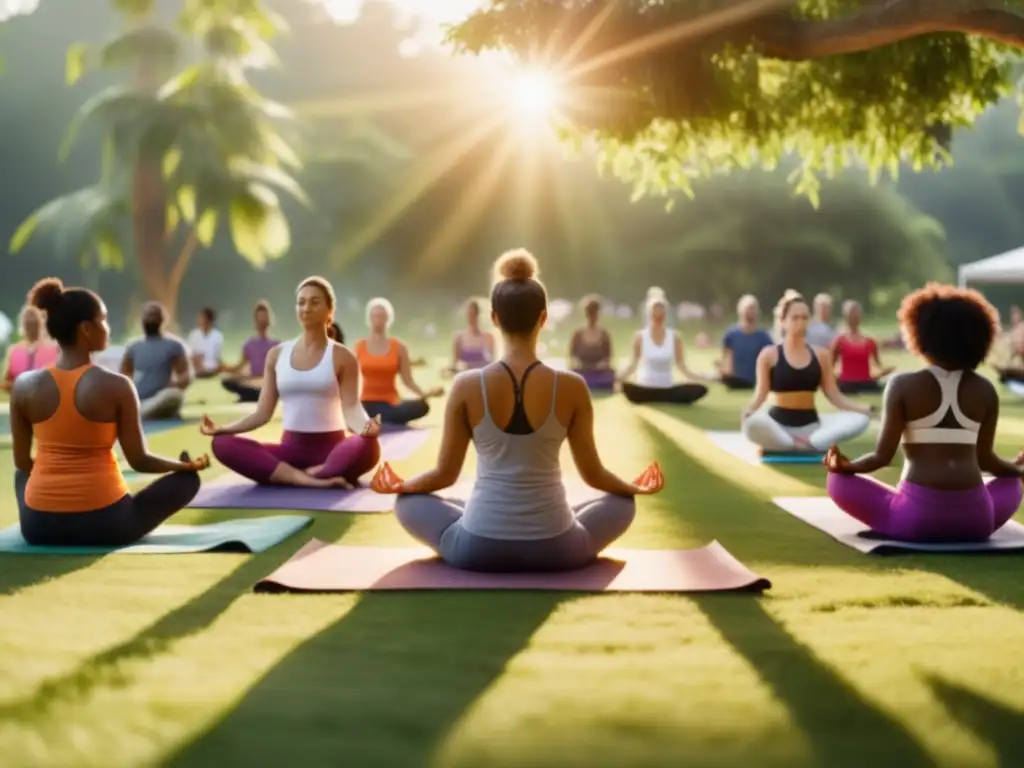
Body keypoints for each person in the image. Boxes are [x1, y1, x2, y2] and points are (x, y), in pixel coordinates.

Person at [369, 249, 663, 572]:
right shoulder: (572, 386)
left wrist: (403, 485)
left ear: (494, 318)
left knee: (409, 501)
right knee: (622, 501)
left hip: (476, 548)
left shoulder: (466, 385)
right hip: (559, 549)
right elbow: (593, 475)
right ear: (544, 318)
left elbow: (444, 475)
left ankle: (479, 514)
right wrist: (633, 487)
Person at [11, 278, 207, 547]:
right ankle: (186, 473)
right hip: (105, 524)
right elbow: (139, 460)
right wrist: (184, 466)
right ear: (86, 330)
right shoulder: (117, 386)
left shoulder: (23, 386)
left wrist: (55, 492)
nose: (107, 327)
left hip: (39, 527)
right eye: (103, 319)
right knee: (188, 482)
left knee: (21, 476)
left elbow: (23, 463)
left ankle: (48, 508)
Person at [825, 284, 1023, 542]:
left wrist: (847, 467)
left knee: (837, 481)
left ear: (922, 334)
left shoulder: (903, 385)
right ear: (978, 337)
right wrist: (1016, 469)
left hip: (917, 519)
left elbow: (882, 457)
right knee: (1011, 484)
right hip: (976, 519)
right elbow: (986, 461)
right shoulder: (984, 390)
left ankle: (899, 516)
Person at [203, 276, 381, 488]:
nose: (306, 308)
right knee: (222, 443)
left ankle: (309, 472)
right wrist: (223, 429)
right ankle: (309, 478)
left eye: (315, 302)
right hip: (289, 451)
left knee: (369, 446)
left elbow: (351, 406)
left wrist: (365, 427)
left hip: (333, 450)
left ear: (329, 310)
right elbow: (262, 414)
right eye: (301, 302)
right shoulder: (277, 355)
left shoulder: (343, 356)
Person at [741, 290, 871, 453]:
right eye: (795, 318)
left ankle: (802, 443)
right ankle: (794, 443)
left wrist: (863, 409)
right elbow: (760, 394)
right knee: (753, 424)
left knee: (861, 420)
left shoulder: (821, 355)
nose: (801, 322)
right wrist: (748, 411)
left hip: (812, 427)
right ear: (783, 321)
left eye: (804, 317)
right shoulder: (768, 355)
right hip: (779, 427)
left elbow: (835, 396)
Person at [355, 297, 443, 426]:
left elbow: (408, 381)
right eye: (375, 316)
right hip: (366, 403)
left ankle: (381, 419)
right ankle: (379, 418)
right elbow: (349, 379)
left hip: (390, 403)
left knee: (422, 406)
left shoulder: (399, 348)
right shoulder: (359, 346)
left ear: (388, 319)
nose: (378, 320)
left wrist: (425, 394)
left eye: (382, 316)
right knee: (359, 411)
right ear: (369, 319)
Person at [618, 288, 709, 405]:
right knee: (630, 389)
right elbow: (633, 364)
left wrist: (699, 378)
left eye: (660, 316)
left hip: (667, 386)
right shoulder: (640, 337)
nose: (658, 320)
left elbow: (681, 366)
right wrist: (620, 377)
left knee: (698, 389)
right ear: (649, 316)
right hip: (646, 386)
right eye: (655, 316)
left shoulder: (675, 337)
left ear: (665, 316)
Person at [121, 303, 191, 420]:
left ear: (162, 320)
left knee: (174, 396)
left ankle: (144, 413)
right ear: (142, 319)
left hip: (162, 398)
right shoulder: (133, 347)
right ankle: (141, 412)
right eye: (148, 316)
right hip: (140, 400)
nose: (150, 319)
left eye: (154, 316)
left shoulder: (174, 345)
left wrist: (176, 384)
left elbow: (185, 375)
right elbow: (123, 376)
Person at [831, 300, 895, 394]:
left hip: (865, 383)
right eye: (851, 316)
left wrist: (886, 372)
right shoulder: (839, 342)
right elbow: (829, 367)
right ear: (846, 318)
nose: (854, 319)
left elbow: (879, 366)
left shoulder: (870, 342)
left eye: (856, 316)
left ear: (860, 318)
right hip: (846, 384)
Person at [221, 300, 278, 403]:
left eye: (264, 321)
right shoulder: (249, 344)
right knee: (226, 380)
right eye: (260, 321)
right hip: (252, 381)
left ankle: (254, 395)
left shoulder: (276, 345)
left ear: (269, 321)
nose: (262, 324)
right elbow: (240, 367)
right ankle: (254, 395)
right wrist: (226, 369)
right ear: (255, 322)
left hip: (268, 383)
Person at [715, 295, 773, 390]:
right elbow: (725, 358)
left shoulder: (763, 337)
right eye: (747, 308)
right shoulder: (731, 335)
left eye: (753, 308)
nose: (750, 312)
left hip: (755, 382)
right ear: (740, 311)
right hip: (735, 382)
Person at [1, 305, 59, 392]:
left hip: (22, 401)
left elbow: (8, 381)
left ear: (23, 327)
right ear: (41, 325)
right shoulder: (54, 350)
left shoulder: (14, 351)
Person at [568, 295, 615, 391]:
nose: (592, 316)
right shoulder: (578, 333)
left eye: (594, 313)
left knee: (609, 375)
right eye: (590, 313)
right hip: (582, 371)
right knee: (573, 375)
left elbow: (608, 359)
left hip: (599, 372)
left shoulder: (604, 334)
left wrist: (602, 364)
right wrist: (578, 364)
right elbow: (572, 357)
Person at [447, 298, 495, 374]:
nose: (471, 317)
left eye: (473, 314)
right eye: (469, 314)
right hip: (464, 377)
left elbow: (491, 363)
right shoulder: (458, 337)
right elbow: (454, 364)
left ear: (478, 315)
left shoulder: (488, 337)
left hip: (480, 377)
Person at [186, 306, 224, 379]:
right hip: (197, 367)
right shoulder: (193, 335)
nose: (200, 321)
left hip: (212, 368)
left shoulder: (218, 336)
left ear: (210, 321)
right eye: (199, 319)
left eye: (203, 319)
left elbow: (218, 356)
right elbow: (190, 355)